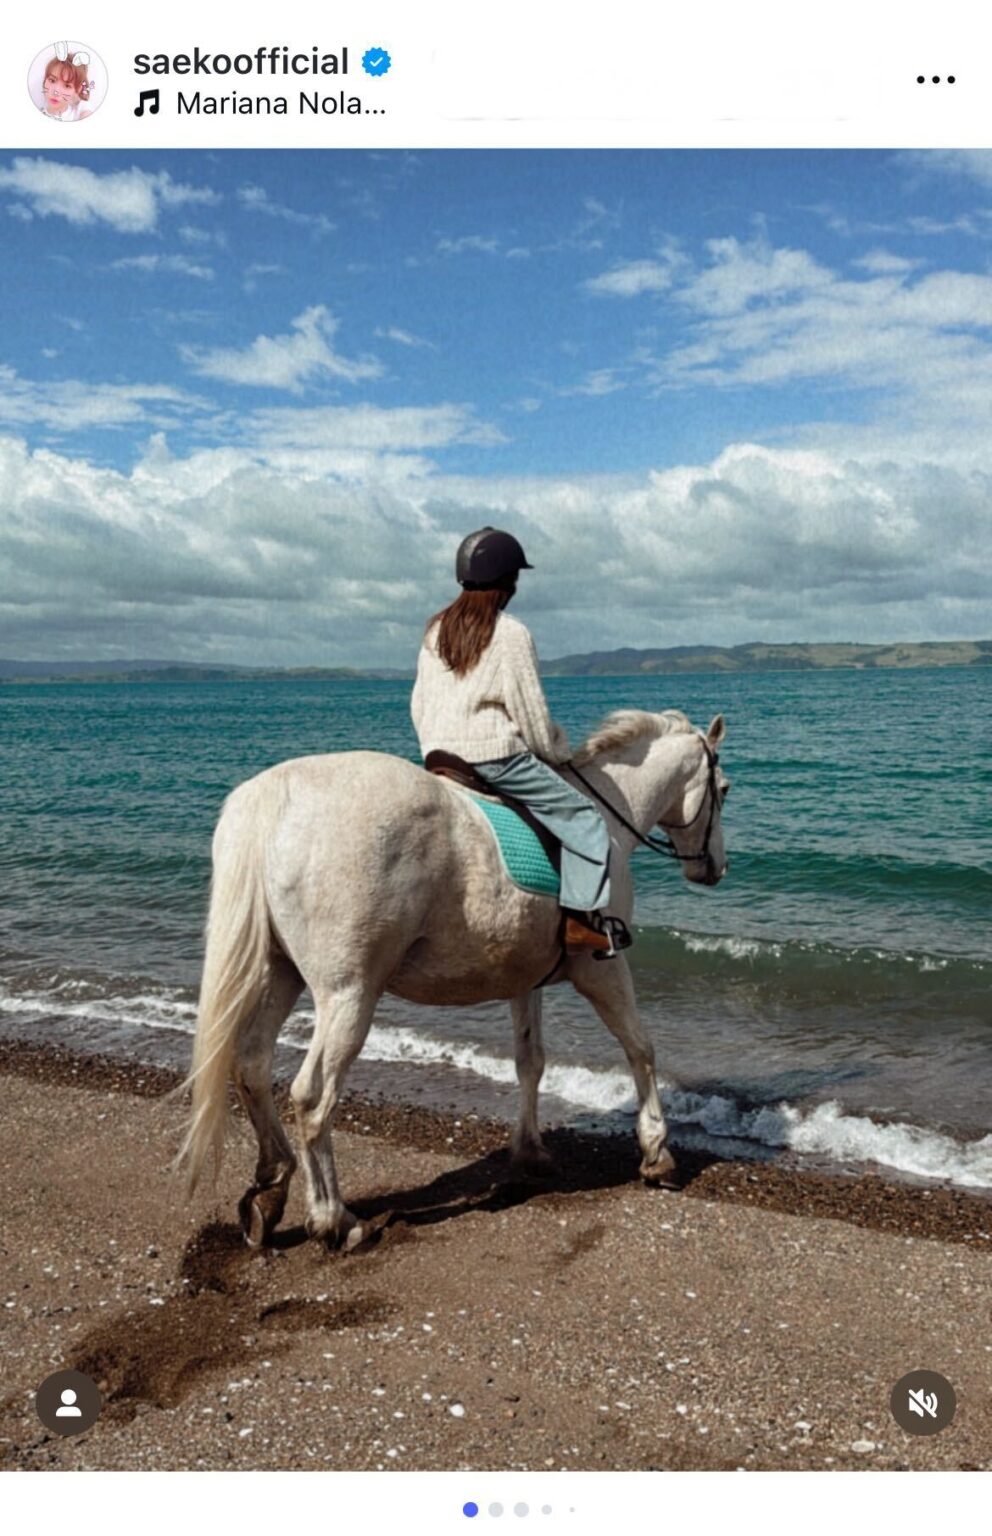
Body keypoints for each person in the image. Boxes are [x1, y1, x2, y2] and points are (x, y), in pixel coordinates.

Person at [411, 526, 630, 957]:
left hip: (438, 756)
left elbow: (418, 703)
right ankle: (580, 921)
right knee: (584, 819)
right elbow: (530, 713)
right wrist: (557, 753)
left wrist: (433, 747)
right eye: (515, 577)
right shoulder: (510, 633)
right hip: (493, 757)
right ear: (507, 581)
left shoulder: (435, 630)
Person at [38, 46, 93, 121]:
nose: (56, 92)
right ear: (45, 81)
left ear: (77, 90)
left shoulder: (80, 112)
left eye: (67, 86)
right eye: (52, 80)